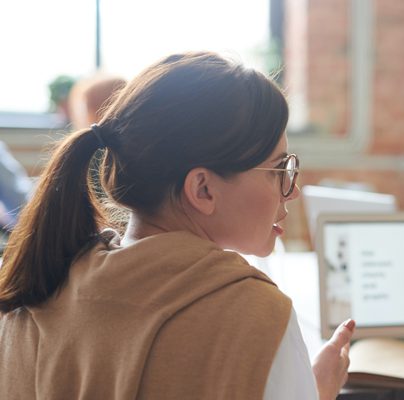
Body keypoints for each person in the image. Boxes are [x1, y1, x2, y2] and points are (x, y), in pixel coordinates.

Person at [0, 52, 355, 399]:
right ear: (202, 189)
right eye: (279, 169)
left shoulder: (32, 284)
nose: (290, 193)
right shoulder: (257, 317)